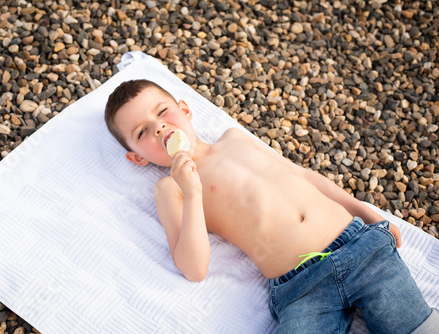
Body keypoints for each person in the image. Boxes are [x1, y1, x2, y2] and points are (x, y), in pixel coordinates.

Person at [104, 79, 438, 333]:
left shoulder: (234, 138)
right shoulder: (170, 189)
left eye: (162, 112)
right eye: (143, 132)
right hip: (301, 288)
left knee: (417, 326)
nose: (159, 127)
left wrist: (366, 213)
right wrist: (192, 193)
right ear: (137, 157)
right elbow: (194, 268)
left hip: (359, 247)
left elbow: (303, 175)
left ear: (185, 109)